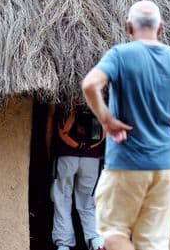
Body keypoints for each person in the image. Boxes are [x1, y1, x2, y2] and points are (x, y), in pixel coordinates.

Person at [81, 0, 170, 250]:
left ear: (129, 27)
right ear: (161, 28)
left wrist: (106, 120)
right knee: (152, 244)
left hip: (126, 164)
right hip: (164, 168)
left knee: (112, 234)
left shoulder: (120, 56)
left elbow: (90, 85)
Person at [48, 105, 106, 250]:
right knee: (88, 201)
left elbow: (56, 127)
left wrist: (50, 150)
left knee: (62, 199)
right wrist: (89, 147)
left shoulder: (65, 95)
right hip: (91, 158)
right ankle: (95, 240)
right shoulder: (99, 97)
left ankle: (63, 244)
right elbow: (106, 129)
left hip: (66, 155)